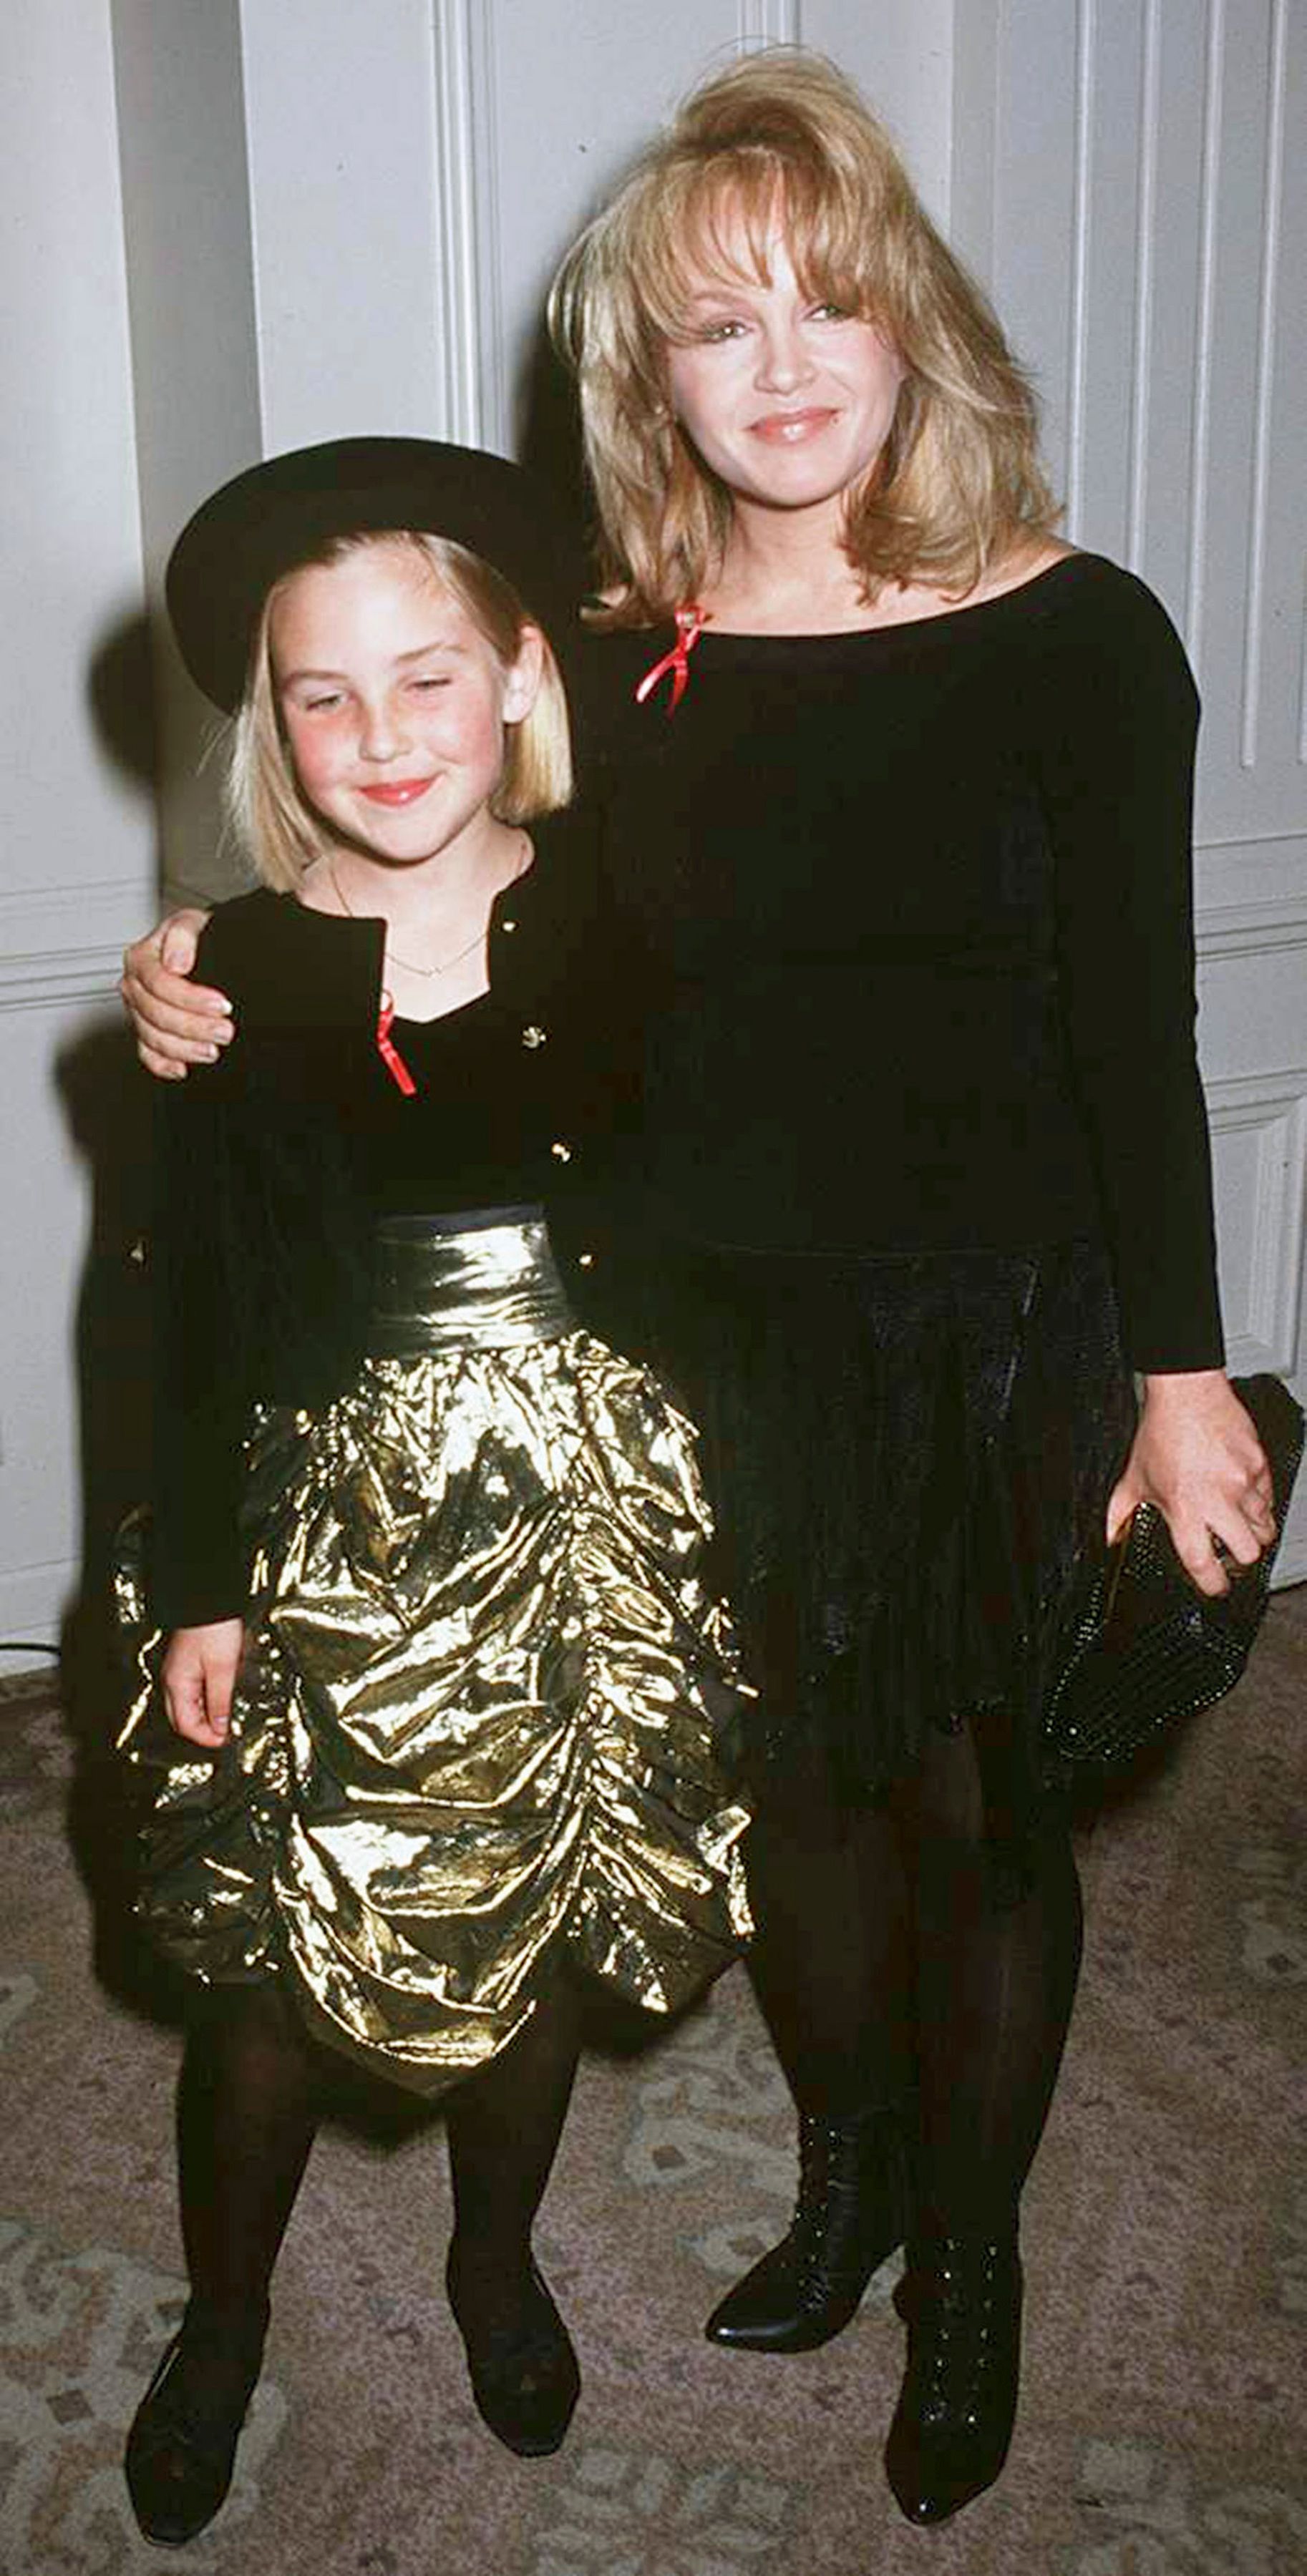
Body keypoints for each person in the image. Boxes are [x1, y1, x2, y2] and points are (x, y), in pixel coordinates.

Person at [120, 52, 1276, 2529]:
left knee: (979, 1817)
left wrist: (1176, 1372)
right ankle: (850, 2167)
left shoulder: (1072, 639)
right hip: (699, 1332)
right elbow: (415, 872)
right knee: (794, 1813)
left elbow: (1131, 1032)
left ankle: (963, 2258)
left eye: (822, 305)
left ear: (910, 330)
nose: (775, 367)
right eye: (711, 325)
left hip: (995, 1322)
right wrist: (190, 965)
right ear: (642, 373)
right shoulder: (608, 661)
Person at [114, 436, 751, 2546]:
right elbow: (171, 1316)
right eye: (323, 693)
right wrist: (200, 1584)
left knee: (540, 1937)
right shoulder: (232, 982)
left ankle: (494, 2260)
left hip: (583, 1519)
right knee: (279, 1983)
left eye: (426, 678)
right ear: (271, 729)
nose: (380, 734)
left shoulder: (623, 914)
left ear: (515, 688)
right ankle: (224, 2319)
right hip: (333, 1540)